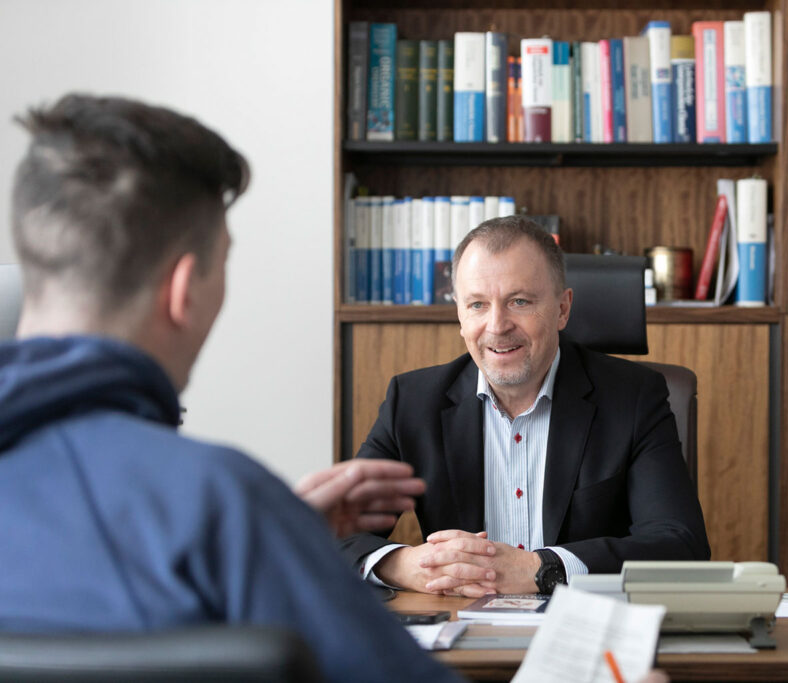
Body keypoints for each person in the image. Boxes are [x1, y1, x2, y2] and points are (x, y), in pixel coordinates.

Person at [0, 94, 463, 683]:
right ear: (185, 289)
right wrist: (272, 540)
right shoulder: (224, 506)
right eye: (223, 265)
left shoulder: (226, 514)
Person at [343, 216, 711, 598]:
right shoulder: (414, 402)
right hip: (460, 629)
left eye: (519, 302)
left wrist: (543, 569)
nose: (497, 326)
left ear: (562, 309)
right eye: (477, 305)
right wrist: (409, 566)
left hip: (584, 629)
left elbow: (681, 547)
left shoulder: (633, 398)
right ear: (460, 315)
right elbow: (334, 534)